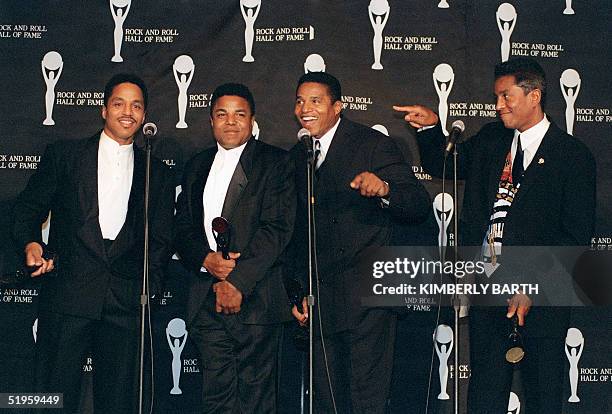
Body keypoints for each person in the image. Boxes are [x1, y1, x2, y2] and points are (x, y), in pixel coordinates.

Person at [394, 57, 596, 413]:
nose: (498, 105)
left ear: (534, 96)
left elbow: (575, 236)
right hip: (489, 289)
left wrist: (532, 285)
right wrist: (429, 130)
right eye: (496, 97)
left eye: (506, 96)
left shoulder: (572, 156)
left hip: (542, 299)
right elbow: (446, 163)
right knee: (485, 396)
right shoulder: (492, 139)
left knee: (542, 397)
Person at [12, 73, 175, 413]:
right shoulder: (65, 156)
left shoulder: (156, 172)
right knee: (53, 399)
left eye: (136, 106)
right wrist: (30, 243)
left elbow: (160, 240)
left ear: (144, 115)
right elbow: (28, 209)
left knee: (118, 402)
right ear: (103, 110)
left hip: (127, 302)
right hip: (68, 294)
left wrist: (149, 287)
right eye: (119, 104)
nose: (127, 112)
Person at [289, 72, 430, 414]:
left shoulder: (371, 144)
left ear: (338, 106)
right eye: (299, 101)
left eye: (316, 101)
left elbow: (418, 204)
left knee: (367, 400)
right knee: (327, 401)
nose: (305, 108)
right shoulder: (297, 155)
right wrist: (296, 292)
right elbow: (292, 234)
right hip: (319, 300)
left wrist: (384, 189)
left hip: (367, 298)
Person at [174, 83, 295, 413]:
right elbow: (182, 228)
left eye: (239, 114)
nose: (230, 121)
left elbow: (277, 229)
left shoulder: (277, 163)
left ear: (252, 120)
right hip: (205, 301)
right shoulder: (196, 165)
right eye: (222, 114)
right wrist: (206, 260)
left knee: (257, 401)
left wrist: (237, 281)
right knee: (217, 398)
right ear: (211, 120)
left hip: (256, 301)